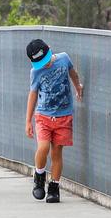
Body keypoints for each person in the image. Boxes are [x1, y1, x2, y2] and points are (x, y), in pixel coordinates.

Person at [25, 38, 83, 203]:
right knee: (43, 147)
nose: (46, 65)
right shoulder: (35, 72)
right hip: (43, 116)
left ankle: (54, 187)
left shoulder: (64, 58)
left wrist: (78, 87)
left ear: (50, 49)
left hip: (64, 116)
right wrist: (28, 120)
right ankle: (39, 175)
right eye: (41, 63)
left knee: (57, 152)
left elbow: (73, 73)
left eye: (46, 60)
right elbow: (33, 94)